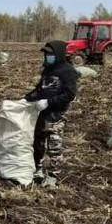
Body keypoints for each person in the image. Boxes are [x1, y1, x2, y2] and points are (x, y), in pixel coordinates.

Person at [24, 39, 79, 181]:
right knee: (38, 143)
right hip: (41, 115)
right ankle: (38, 170)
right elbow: (38, 90)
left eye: (50, 54)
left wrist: (49, 102)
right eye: (46, 54)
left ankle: (54, 176)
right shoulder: (47, 70)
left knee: (54, 146)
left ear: (58, 54)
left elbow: (69, 94)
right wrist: (26, 99)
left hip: (56, 116)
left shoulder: (67, 71)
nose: (47, 57)